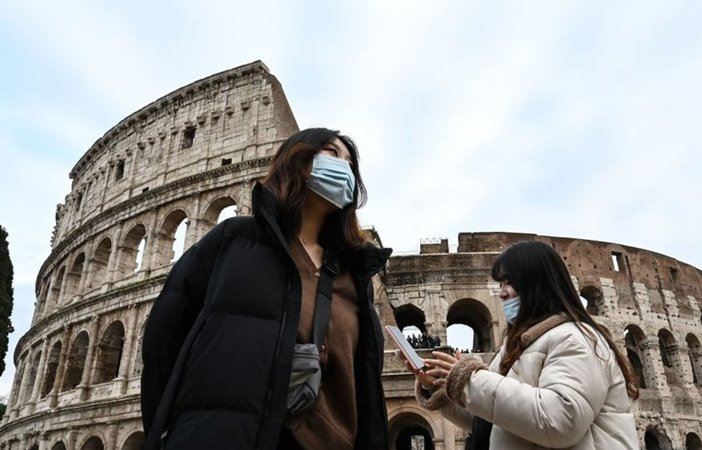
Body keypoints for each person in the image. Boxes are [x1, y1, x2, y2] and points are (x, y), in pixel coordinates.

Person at [140, 128, 392, 450]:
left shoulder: (354, 276)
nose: (344, 168)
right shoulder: (233, 240)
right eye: (331, 153)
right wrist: (172, 431)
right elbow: (164, 339)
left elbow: (363, 380)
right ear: (296, 159)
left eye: (350, 164)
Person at [402, 240, 639, 449]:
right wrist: (442, 389)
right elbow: (493, 421)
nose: (502, 293)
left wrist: (470, 380)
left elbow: (562, 420)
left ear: (536, 284)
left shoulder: (575, 339)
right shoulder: (517, 345)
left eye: (508, 283)